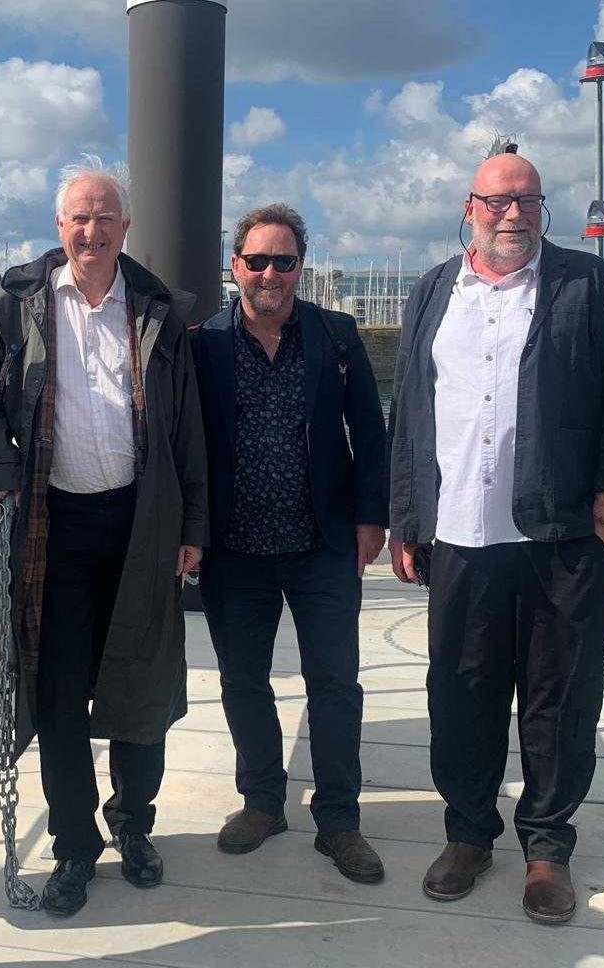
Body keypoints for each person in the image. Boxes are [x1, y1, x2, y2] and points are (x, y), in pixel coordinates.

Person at [388, 152, 604, 923]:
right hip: (458, 535)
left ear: (543, 208)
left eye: (527, 201)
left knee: (558, 699)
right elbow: (409, 409)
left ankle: (545, 849)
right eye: (497, 201)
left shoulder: (586, 284)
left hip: (559, 531)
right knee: (460, 692)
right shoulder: (435, 288)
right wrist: (407, 517)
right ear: (469, 205)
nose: (512, 214)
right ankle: (468, 834)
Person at [0, 155, 207, 918]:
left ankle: (133, 826)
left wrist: (192, 527)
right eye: (78, 216)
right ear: (58, 226)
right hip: (51, 527)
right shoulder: (15, 304)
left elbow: (188, 432)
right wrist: (1, 473)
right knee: (60, 698)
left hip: (142, 523)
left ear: (124, 227)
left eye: (104, 216)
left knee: (141, 685)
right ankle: (73, 848)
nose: (91, 229)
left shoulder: (158, 312)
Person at [190, 203, 389, 883]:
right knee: (243, 681)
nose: (269, 273)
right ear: (234, 266)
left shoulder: (334, 337)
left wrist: (372, 519)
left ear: (300, 267)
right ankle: (262, 802)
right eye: (256, 260)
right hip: (233, 549)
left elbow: (370, 429)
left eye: (283, 261)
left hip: (321, 543)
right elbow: (184, 447)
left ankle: (338, 821)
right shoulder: (203, 344)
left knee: (333, 683)